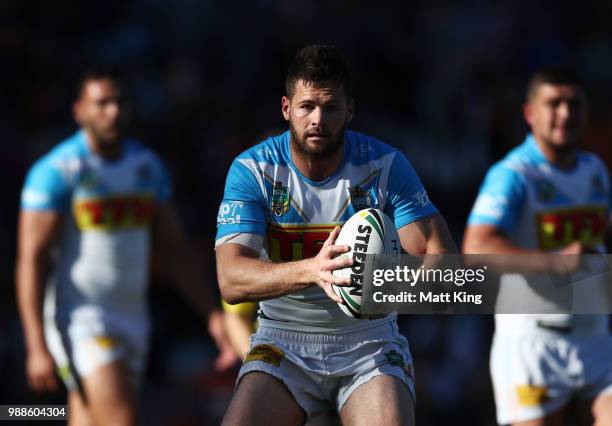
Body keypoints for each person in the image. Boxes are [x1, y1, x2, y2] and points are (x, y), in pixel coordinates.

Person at [215, 44, 456, 425]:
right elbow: (230, 279)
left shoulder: (384, 165)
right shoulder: (254, 169)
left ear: (350, 110)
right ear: (286, 108)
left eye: (330, 107)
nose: (318, 119)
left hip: (369, 343)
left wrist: (390, 283)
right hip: (282, 343)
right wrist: (314, 270)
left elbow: (441, 262)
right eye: (307, 106)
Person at [16, 67, 230, 426]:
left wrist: (210, 313)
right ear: (79, 111)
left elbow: (175, 249)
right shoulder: (58, 171)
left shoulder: (146, 167)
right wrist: (36, 344)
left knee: (87, 418)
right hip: (81, 319)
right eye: (101, 103)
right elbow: (31, 260)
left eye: (119, 102)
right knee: (122, 419)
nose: (112, 112)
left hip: (133, 318)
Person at [463, 67, 612, 425]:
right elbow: (476, 248)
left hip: (594, 336)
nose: (565, 113)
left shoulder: (595, 170)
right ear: (530, 113)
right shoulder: (513, 175)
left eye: (574, 104)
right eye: (554, 103)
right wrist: (557, 262)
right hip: (533, 341)